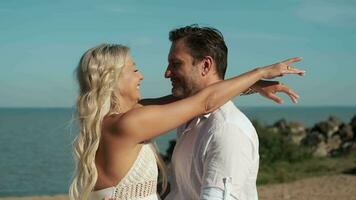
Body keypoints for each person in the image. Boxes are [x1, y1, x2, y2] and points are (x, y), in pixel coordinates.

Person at [68, 42, 304, 200]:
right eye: (134, 69)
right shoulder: (129, 123)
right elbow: (204, 102)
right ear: (113, 79)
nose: (141, 75)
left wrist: (250, 87)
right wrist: (261, 72)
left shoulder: (113, 121)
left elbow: (193, 96)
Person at [164, 25, 304, 200]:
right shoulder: (188, 118)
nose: (167, 73)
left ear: (206, 66)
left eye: (176, 64)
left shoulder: (226, 130)